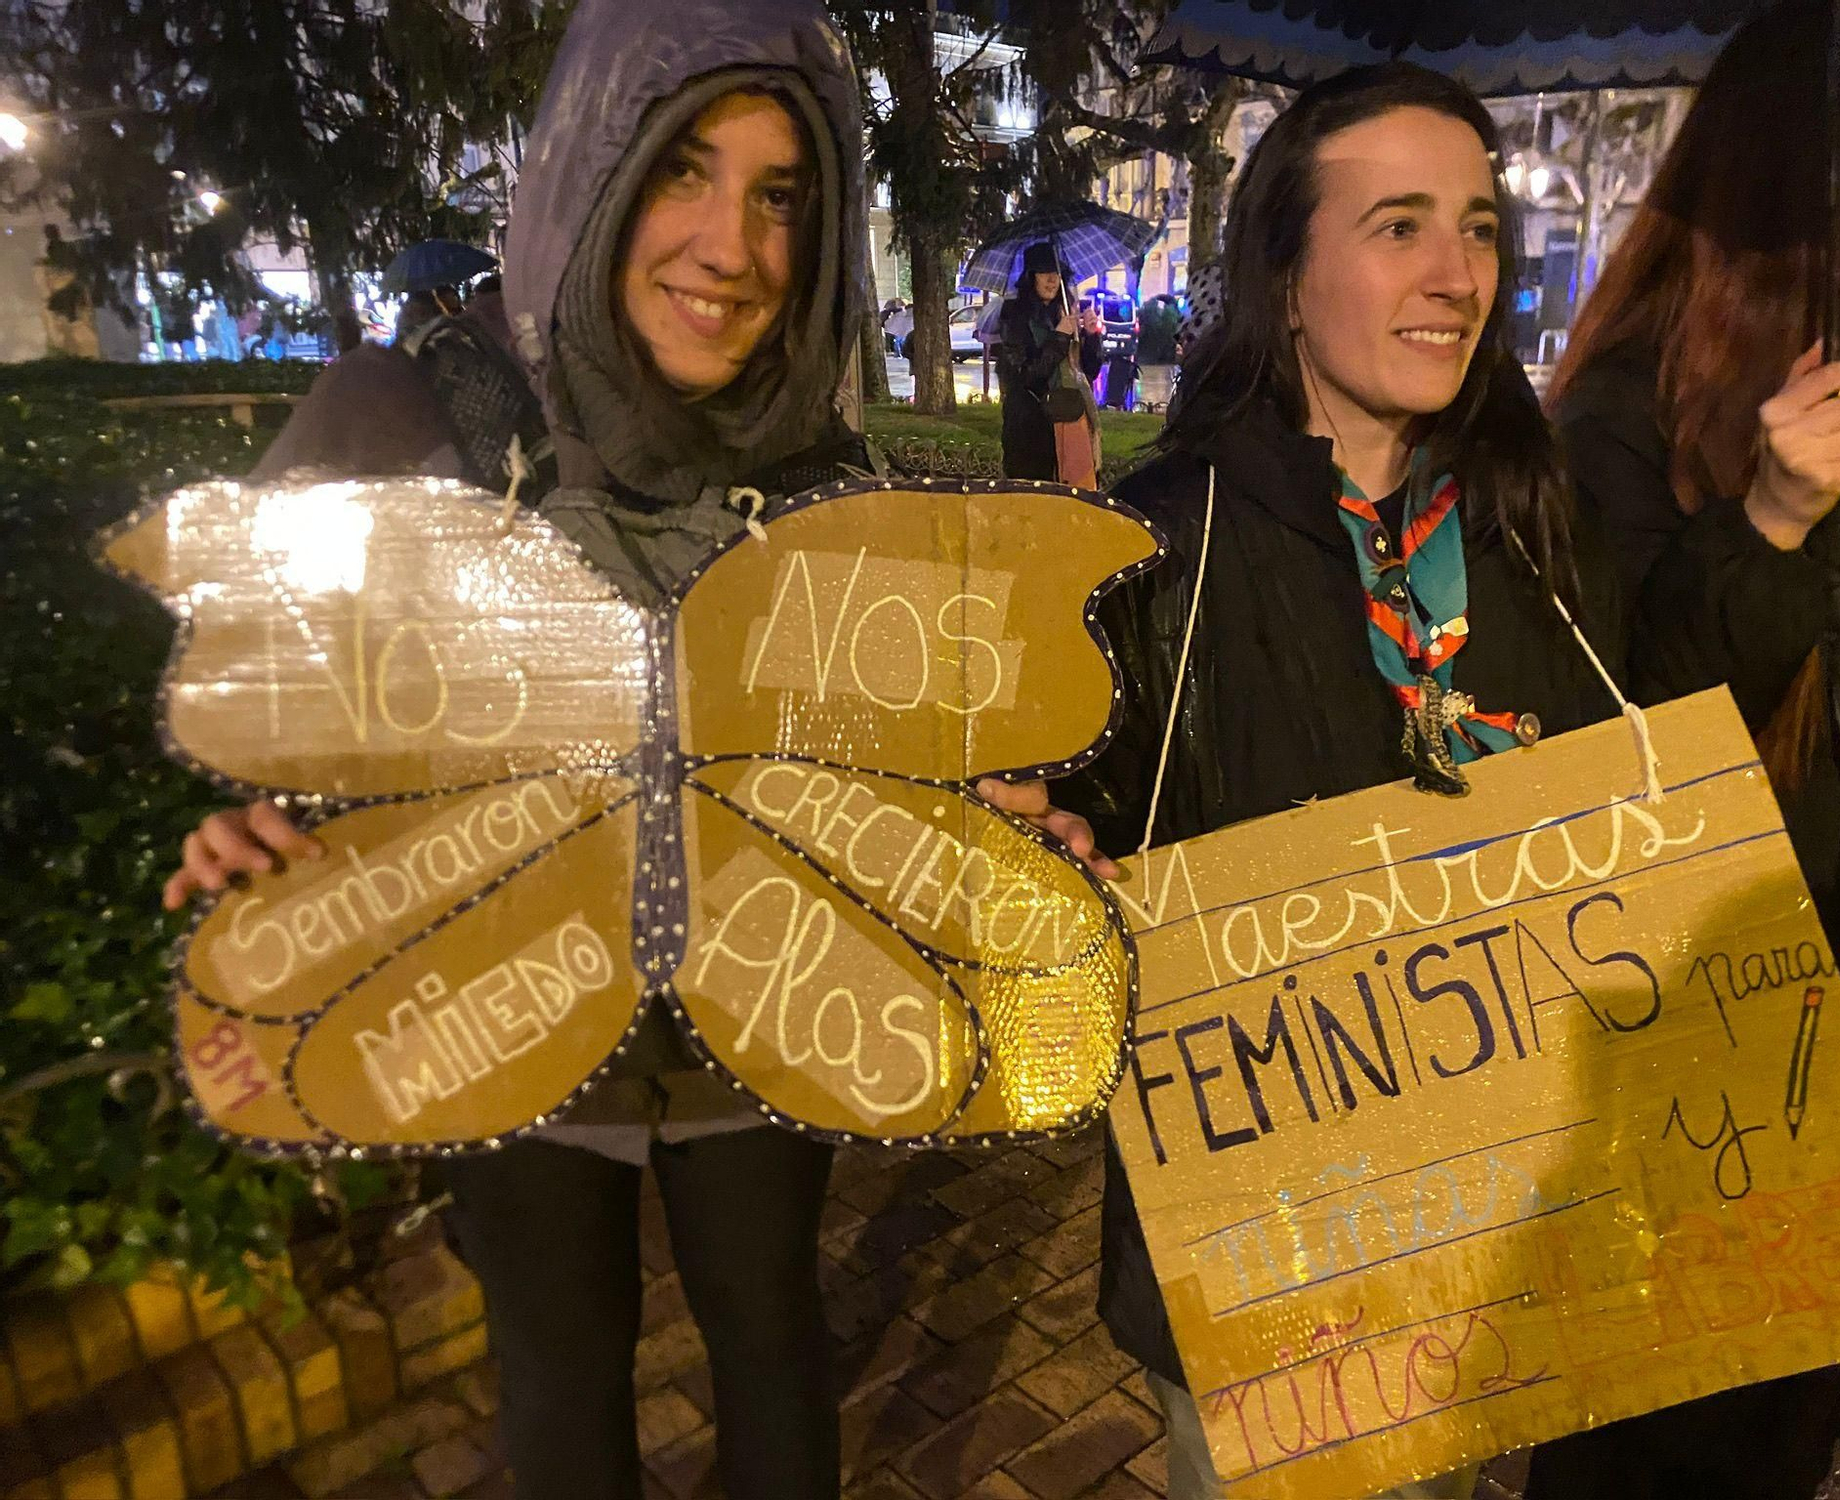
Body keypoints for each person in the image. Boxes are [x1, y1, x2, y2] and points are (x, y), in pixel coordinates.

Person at [157, 1, 878, 1496]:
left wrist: (968, 817)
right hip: (507, 1015)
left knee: (770, 1337)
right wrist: (257, 829)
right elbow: (268, 702)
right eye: (681, 169)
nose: (731, 250)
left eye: (779, 194)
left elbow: (876, 753)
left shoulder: (826, 470)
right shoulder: (407, 417)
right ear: (590, 168)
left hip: (759, 1021)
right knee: (558, 1371)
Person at [980, 63, 1627, 1499]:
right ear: (1282, 277)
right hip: (1268, 1251)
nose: (1455, 273)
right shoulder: (1150, 556)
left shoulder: (1535, 527)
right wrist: (1043, 858)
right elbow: (1064, 858)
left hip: (1482, 1215)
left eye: (1475, 226)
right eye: (1398, 225)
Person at [1531, 3, 1840, 1496]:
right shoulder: (1629, 417)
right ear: (1804, 146)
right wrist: (1773, 525)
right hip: (1710, 1076)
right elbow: (1622, 749)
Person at [996, 241, 1104, 481]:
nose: (1051, 280)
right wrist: (1059, 336)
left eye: (1056, 273)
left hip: (1072, 418)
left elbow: (1089, 372)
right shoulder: (1014, 315)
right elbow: (1028, 375)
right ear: (1030, 277)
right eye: (1044, 273)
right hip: (1030, 430)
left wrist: (1091, 335)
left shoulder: (1065, 311)